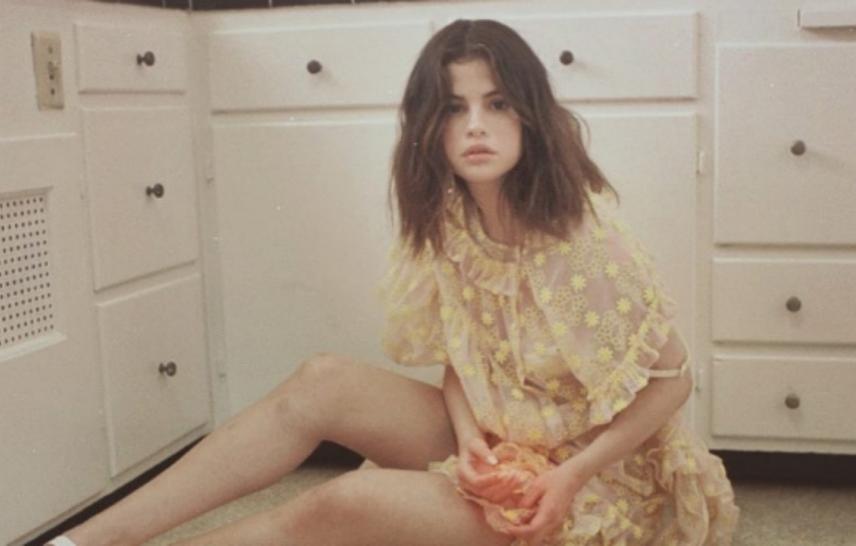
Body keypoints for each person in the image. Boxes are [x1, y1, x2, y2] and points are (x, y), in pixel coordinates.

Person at [48, 18, 738, 546]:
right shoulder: (452, 221)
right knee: (322, 380)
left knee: (341, 504)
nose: (475, 126)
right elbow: (465, 361)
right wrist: (467, 438)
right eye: (453, 108)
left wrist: (569, 476)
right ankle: (85, 541)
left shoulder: (578, 239)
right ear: (428, 127)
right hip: (503, 436)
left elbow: (672, 381)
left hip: (593, 478)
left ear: (530, 115)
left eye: (497, 104)